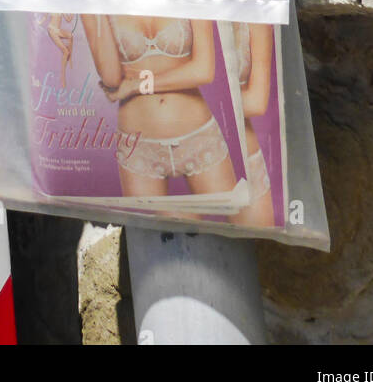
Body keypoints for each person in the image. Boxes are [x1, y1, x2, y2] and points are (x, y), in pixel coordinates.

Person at [48, 15, 237, 199]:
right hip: (139, 148)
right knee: (151, 229)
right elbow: (112, 79)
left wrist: (136, 85)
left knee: (227, 225)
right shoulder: (102, 2)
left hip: (198, 137)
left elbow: (203, 71)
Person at [228, 21, 276, 227]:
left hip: (243, 160)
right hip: (164, 143)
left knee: (262, 250)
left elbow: (257, 102)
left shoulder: (256, 18)